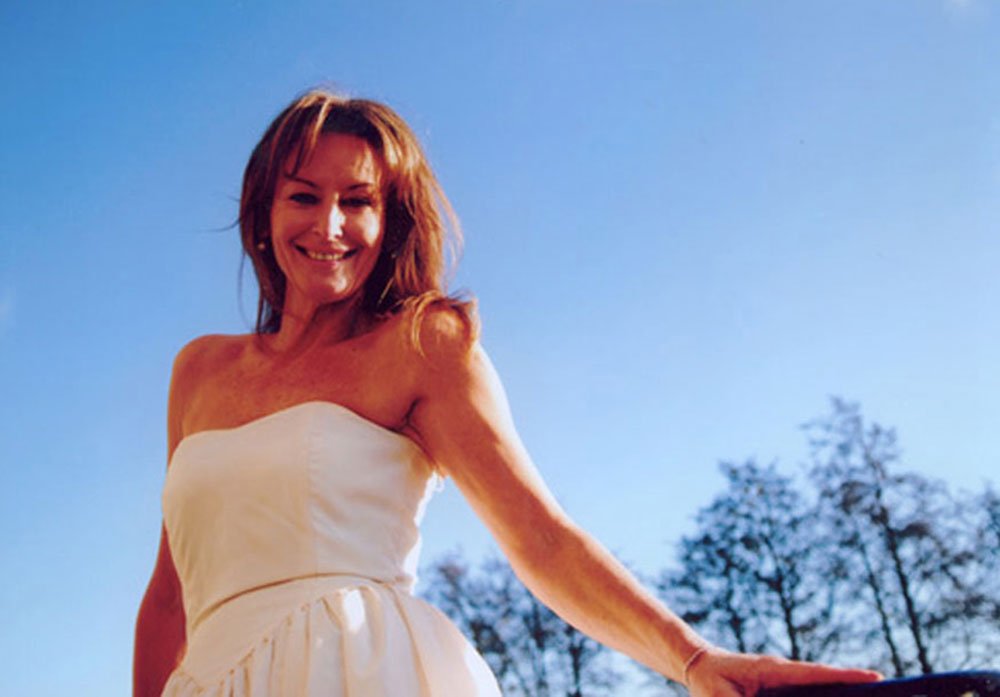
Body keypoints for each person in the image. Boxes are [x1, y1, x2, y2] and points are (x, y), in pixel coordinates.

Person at [133, 89, 881, 697]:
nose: (330, 225)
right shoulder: (199, 370)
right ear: (264, 211)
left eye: (358, 201)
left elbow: (541, 538)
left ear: (389, 221)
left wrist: (692, 657)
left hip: (364, 674)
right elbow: (171, 593)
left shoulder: (422, 346)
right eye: (304, 196)